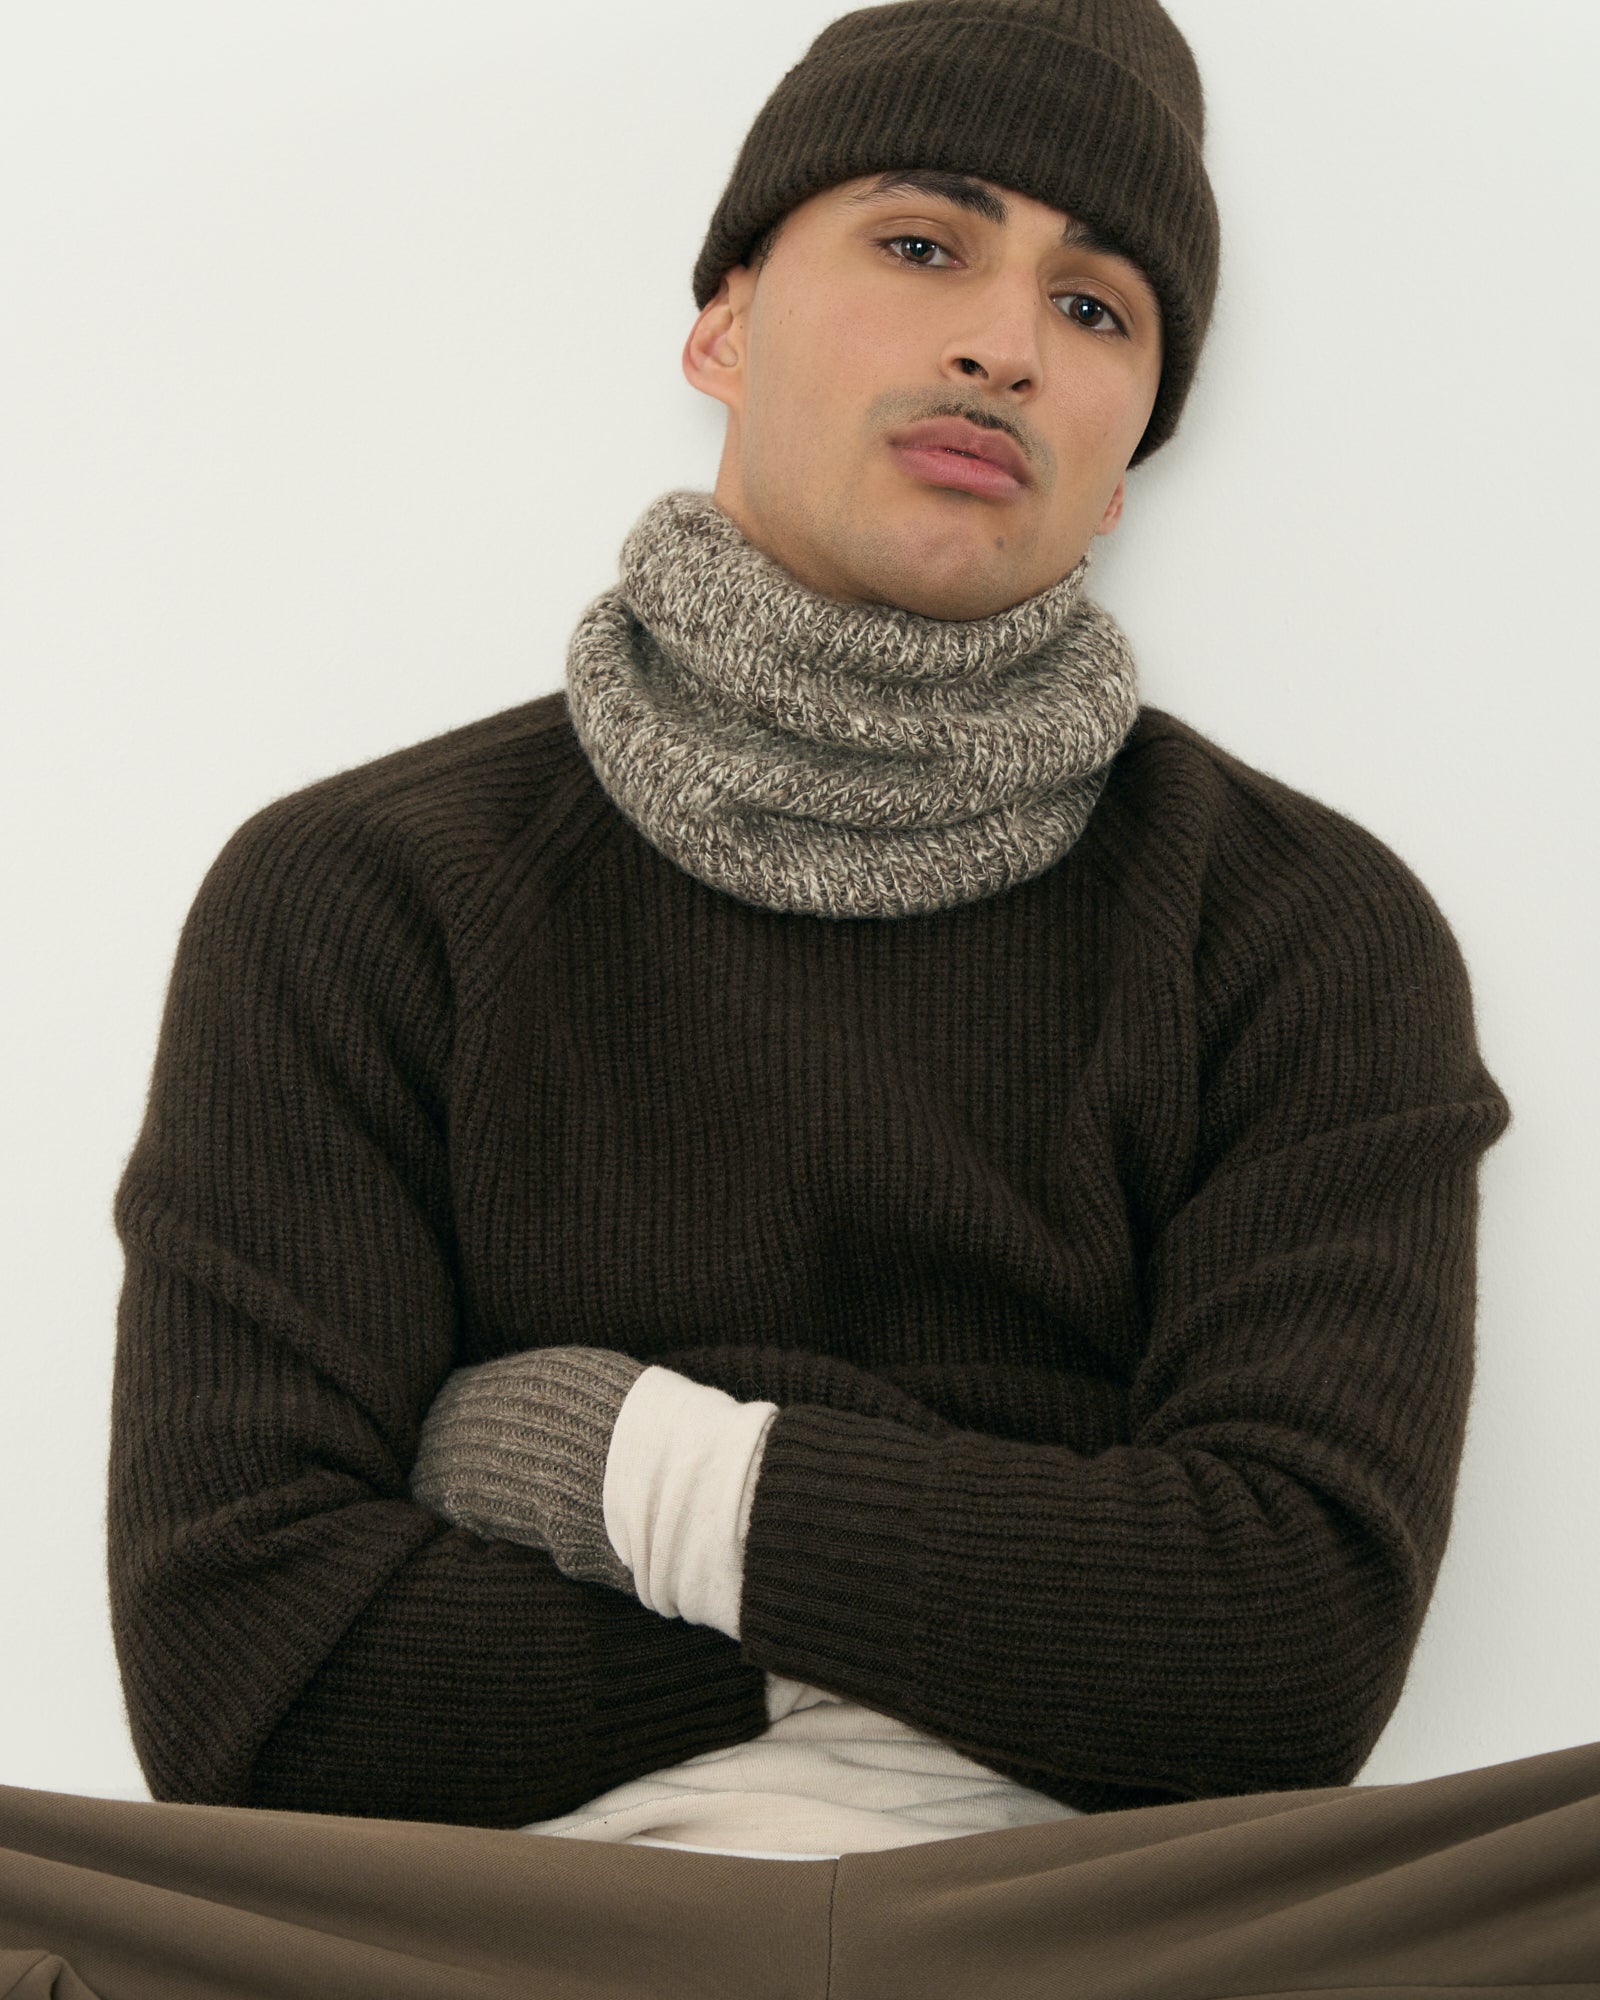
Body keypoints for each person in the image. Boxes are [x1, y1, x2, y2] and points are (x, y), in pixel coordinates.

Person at [2, 0, 1596, 1993]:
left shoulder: (1302, 927)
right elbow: (252, 1686)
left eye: (1094, 309)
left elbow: (1284, 1653)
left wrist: (626, 1467)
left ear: (1122, 465)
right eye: (923, 244)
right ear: (723, 327)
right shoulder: (360, 892)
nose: (1004, 344)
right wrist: (1007, 1606)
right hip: (481, 1936)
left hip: (1114, 1935)